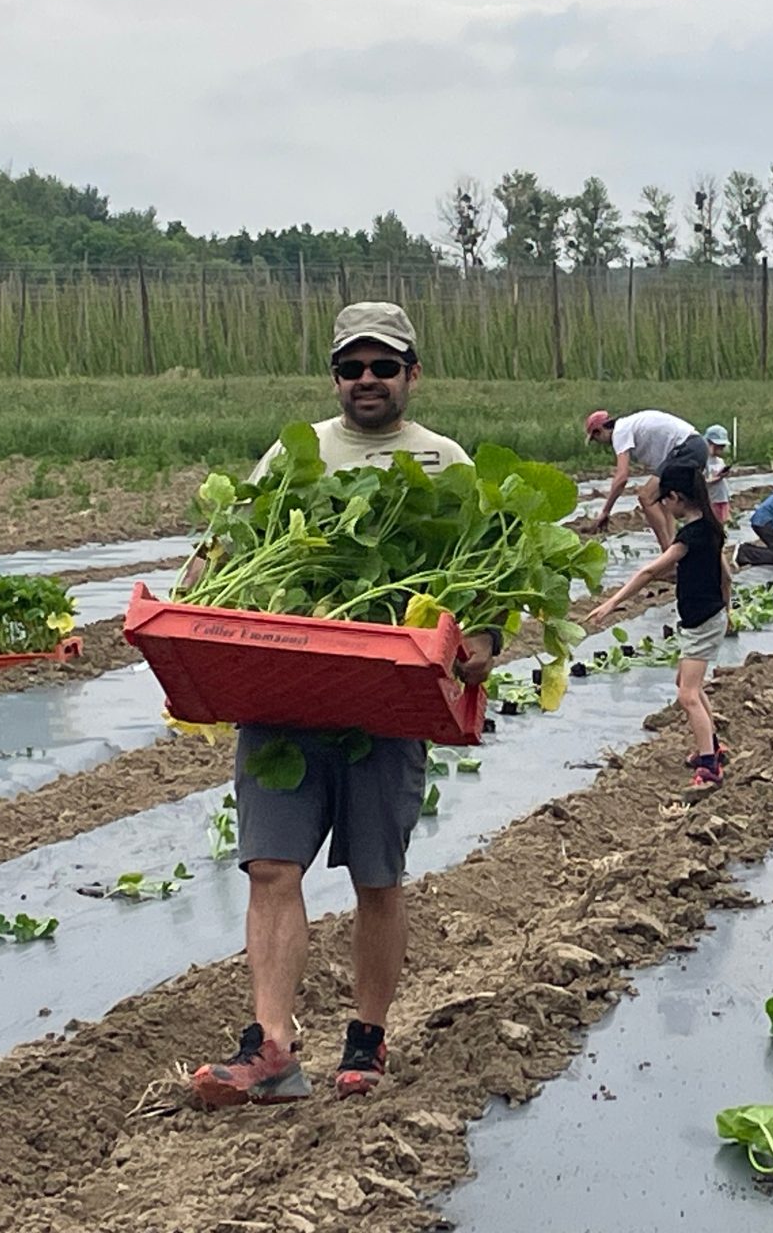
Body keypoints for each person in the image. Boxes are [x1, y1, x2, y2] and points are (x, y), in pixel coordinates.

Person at [191, 301, 500, 1106]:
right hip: (285, 700)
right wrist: (200, 586)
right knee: (270, 867)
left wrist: (484, 644)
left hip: (387, 708)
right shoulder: (295, 455)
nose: (367, 380)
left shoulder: (445, 462)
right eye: (352, 368)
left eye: (383, 366)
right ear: (335, 377)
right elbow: (230, 547)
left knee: (378, 877)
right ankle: (272, 1045)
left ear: (413, 374)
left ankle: (366, 1038)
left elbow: (487, 578)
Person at [587, 463, 732, 790]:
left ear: (677, 497)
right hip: (708, 617)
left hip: (702, 621)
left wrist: (612, 602)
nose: (664, 507)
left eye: (665, 501)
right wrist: (728, 607)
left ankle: (709, 766)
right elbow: (727, 575)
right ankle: (714, 745)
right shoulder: (713, 528)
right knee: (687, 682)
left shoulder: (689, 537)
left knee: (687, 695)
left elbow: (649, 573)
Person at [584, 407, 708, 550]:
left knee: (646, 496)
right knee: (664, 499)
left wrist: (606, 511)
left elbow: (622, 477)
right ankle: (672, 549)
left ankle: (667, 554)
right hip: (696, 446)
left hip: (686, 448)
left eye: (596, 438)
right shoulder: (629, 425)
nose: (600, 443)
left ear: (599, 430)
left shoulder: (620, 431)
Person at [703, 424, 733, 524]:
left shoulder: (720, 461)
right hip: (712, 499)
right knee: (713, 524)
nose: (720, 449)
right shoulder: (704, 461)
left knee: (723, 523)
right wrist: (717, 478)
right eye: (718, 447)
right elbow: (702, 482)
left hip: (722, 497)